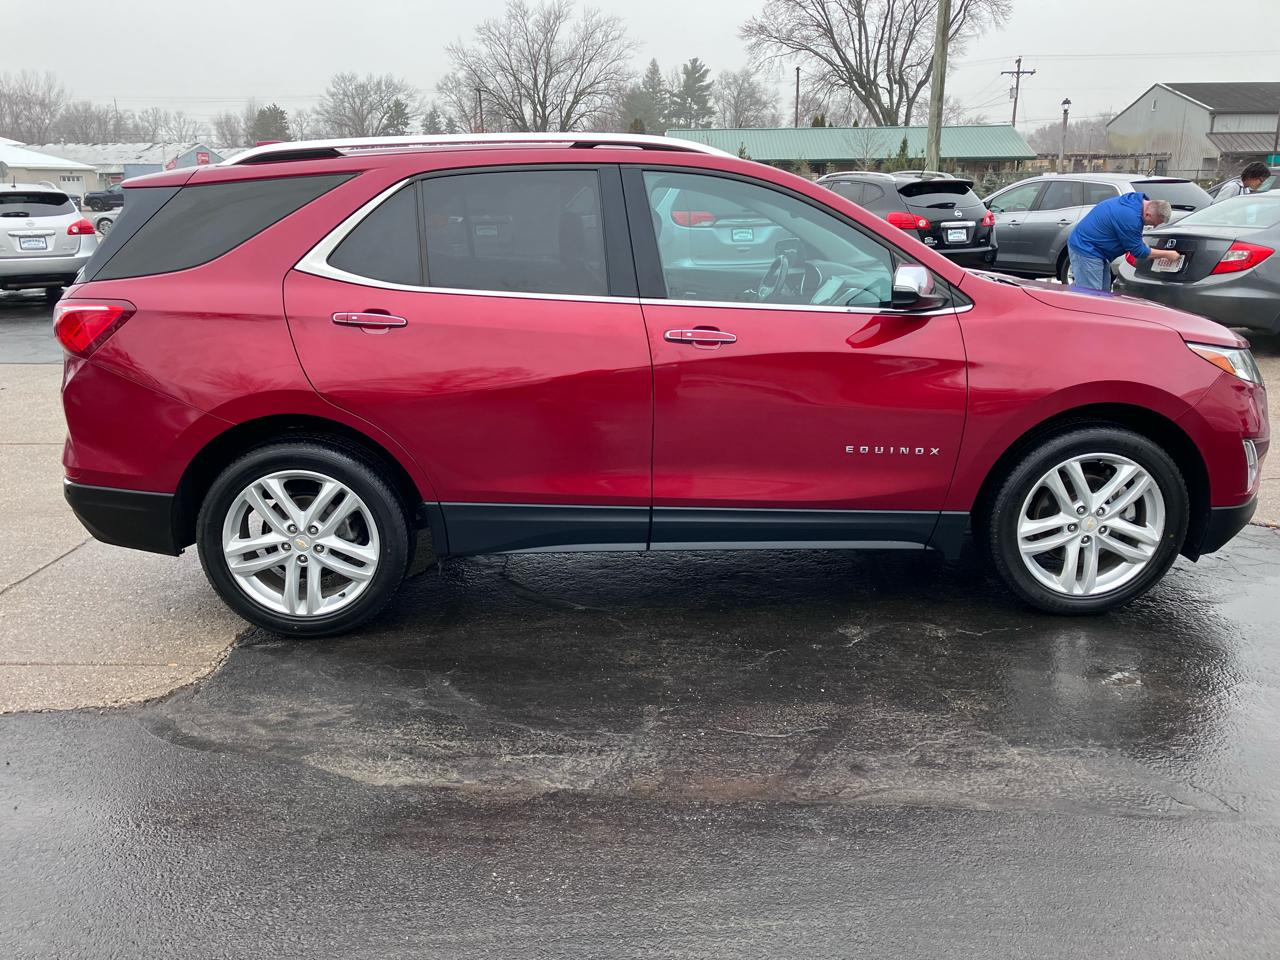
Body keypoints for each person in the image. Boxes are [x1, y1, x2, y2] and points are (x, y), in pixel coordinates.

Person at [1067, 193, 1181, 292]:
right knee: (1090, 296)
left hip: (1097, 251)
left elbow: (1134, 239)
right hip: (1086, 249)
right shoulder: (1131, 217)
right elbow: (1138, 251)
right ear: (1148, 215)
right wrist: (1167, 254)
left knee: (1103, 293)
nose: (1154, 226)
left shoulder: (1136, 202)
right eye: (1154, 223)